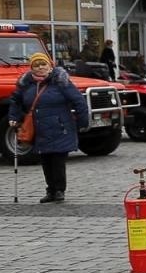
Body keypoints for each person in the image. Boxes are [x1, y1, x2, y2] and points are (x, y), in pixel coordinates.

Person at [7, 53, 88, 204]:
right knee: (45, 160)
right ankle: (50, 190)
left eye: (43, 64)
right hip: (40, 129)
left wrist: (82, 123)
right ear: (32, 68)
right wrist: (14, 117)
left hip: (60, 128)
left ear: (50, 66)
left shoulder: (61, 82)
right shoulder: (26, 84)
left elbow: (79, 101)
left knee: (57, 160)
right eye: (36, 65)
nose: (40, 68)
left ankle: (59, 190)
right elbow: (15, 100)